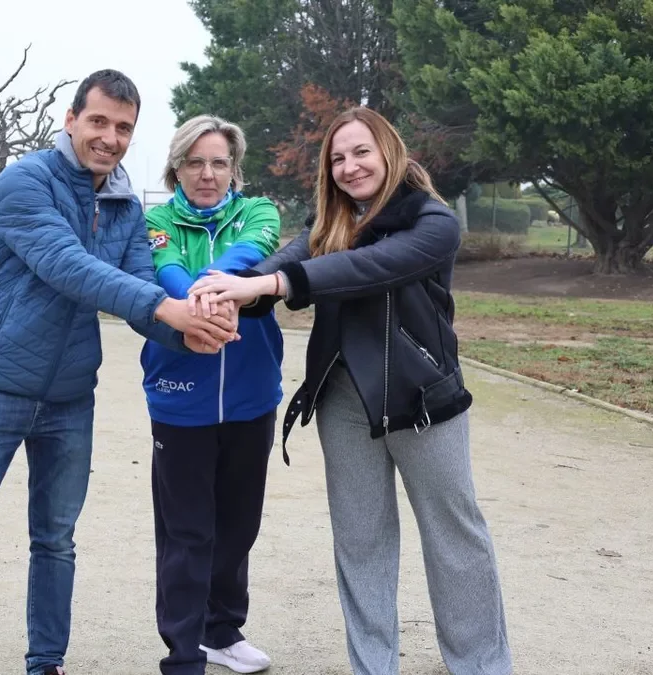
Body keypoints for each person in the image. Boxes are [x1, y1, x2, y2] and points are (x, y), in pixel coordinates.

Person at [0, 70, 239, 675]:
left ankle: (46, 663)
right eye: (99, 121)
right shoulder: (25, 181)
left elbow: (135, 287)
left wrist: (190, 334)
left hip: (70, 398)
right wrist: (167, 308)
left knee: (56, 542)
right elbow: (67, 264)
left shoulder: (126, 206)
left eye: (124, 128)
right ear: (71, 119)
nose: (110, 137)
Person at [188, 107, 512, 675]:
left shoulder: (433, 224)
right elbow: (286, 261)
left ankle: (482, 665)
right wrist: (237, 289)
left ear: (391, 152)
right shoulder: (330, 226)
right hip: (341, 401)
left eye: (361, 152)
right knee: (360, 544)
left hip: (422, 402)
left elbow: (369, 268)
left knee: (454, 538)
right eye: (337, 157)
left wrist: (278, 283)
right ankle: (372, 666)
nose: (349, 166)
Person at [140, 115, 283, 675]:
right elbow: (166, 266)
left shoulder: (260, 211)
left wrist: (212, 286)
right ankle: (182, 653)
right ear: (176, 168)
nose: (207, 173)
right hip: (180, 400)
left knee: (239, 524)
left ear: (233, 168)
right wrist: (204, 297)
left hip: (251, 398)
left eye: (218, 162)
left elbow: (250, 253)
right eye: (194, 162)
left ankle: (222, 631)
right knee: (187, 531)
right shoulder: (154, 219)